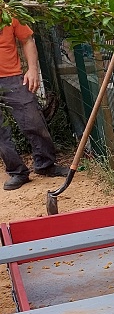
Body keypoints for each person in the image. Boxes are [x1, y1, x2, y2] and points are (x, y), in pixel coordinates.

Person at [0, 16, 68, 190]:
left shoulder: (9, 13)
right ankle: (17, 172)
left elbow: (27, 40)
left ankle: (45, 165)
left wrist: (32, 69)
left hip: (12, 78)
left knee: (32, 119)